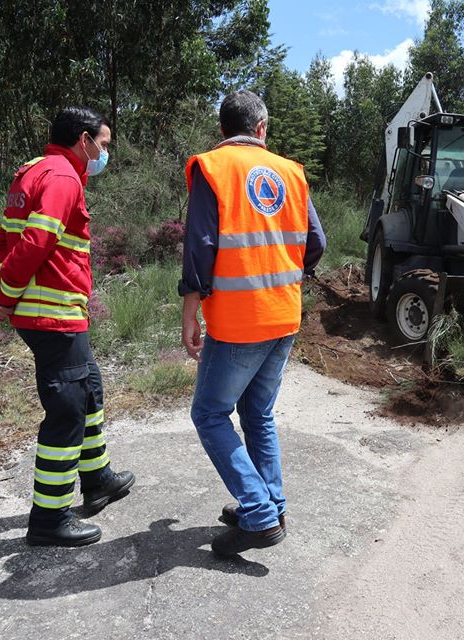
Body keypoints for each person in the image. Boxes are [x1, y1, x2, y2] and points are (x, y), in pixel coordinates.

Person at [0, 106, 135, 547]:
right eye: (103, 145)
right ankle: (50, 516)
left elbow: (0, 244)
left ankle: (97, 477)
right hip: (54, 316)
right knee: (67, 409)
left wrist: (0, 291)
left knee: (90, 386)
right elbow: (34, 243)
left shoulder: (34, 172)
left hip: (48, 313)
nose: (103, 155)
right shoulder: (62, 178)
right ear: (83, 139)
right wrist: (4, 296)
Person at [179, 90, 326, 557]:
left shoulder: (213, 168)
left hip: (239, 322)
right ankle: (272, 504)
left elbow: (199, 245)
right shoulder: (292, 172)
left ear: (223, 130)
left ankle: (260, 515)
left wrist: (190, 311)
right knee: (258, 412)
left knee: (209, 413)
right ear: (261, 128)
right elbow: (316, 242)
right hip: (284, 314)